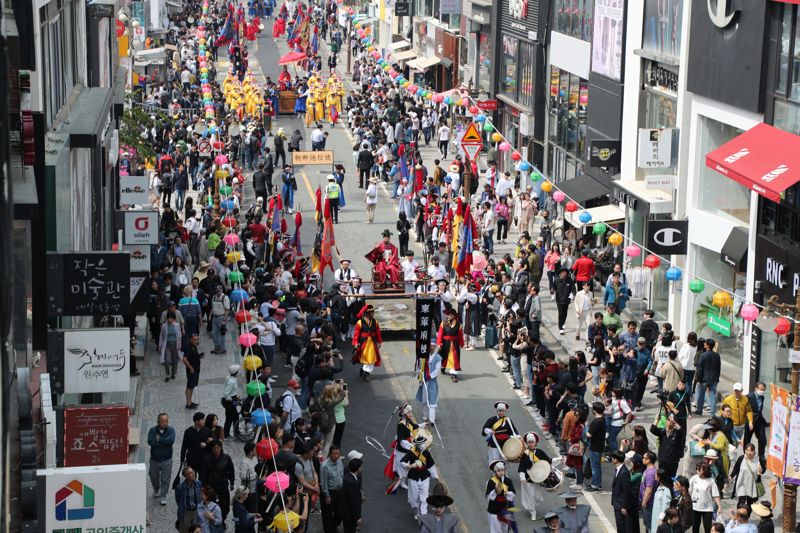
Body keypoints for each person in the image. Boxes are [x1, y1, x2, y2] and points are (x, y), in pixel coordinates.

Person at [401, 432, 438, 520]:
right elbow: (402, 461)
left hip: (425, 477)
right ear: (417, 445)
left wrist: (436, 476)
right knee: (413, 498)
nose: (422, 445)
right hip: (413, 477)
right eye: (420, 444)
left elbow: (431, 466)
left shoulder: (426, 453)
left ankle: (424, 515)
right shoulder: (411, 452)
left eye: (423, 443)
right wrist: (407, 465)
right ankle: (417, 512)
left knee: (424, 498)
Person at [517, 432, 550, 520]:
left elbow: (548, 461)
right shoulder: (525, 454)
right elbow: (522, 467)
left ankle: (532, 507)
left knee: (537, 497)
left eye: (532, 442)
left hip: (539, 479)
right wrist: (522, 478)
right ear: (527, 443)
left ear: (535, 443)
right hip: (529, 479)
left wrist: (559, 459)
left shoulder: (540, 452)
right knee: (530, 497)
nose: (531, 444)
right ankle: (533, 512)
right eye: (529, 442)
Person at [203, 440, 235, 520]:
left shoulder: (226, 458)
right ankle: (212, 519)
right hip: (211, 486)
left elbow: (231, 470)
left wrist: (232, 482)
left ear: (221, 448)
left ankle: (222, 519)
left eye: (218, 448)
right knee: (210, 504)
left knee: (225, 506)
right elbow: (203, 473)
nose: (216, 450)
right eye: (214, 448)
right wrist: (204, 485)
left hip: (222, 485)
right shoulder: (207, 459)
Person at [148, 413, 175, 506]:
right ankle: (156, 489)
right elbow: (151, 442)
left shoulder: (171, 430)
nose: (164, 423)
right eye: (162, 421)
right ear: (158, 421)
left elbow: (171, 441)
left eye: (166, 421)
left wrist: (160, 440)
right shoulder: (152, 430)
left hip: (167, 459)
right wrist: (164, 442)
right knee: (153, 476)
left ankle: (163, 495)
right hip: (154, 459)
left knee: (165, 479)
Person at [351, 304, 382, 381]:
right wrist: (355, 343)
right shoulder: (360, 322)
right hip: (363, 343)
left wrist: (379, 342)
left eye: (373, 312)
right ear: (367, 313)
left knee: (371, 358)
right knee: (365, 358)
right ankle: (366, 372)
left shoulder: (375, 322)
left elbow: (378, 333)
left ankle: (366, 372)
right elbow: (356, 334)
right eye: (372, 312)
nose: (373, 313)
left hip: (372, 343)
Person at [486, 460, 516, 533]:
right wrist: (495, 491)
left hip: (505, 509)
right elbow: (489, 496)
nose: (501, 472)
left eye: (502, 470)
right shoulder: (491, 481)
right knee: (495, 530)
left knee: (505, 529)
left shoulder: (508, 481)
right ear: (495, 472)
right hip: (494, 510)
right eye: (499, 471)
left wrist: (507, 493)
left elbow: (513, 493)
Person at [689, 462, 720, 533]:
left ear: (705, 470)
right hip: (695, 507)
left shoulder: (711, 481)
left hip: (707, 508)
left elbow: (715, 494)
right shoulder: (694, 479)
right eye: (697, 469)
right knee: (695, 526)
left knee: (707, 527)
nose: (697, 470)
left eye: (699, 469)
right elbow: (690, 491)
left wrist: (719, 506)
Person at [320, 445, 344, 533]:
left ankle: (334, 526)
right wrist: (327, 496)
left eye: (338, 453)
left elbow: (341, 476)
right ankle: (328, 530)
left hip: (339, 491)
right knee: (327, 514)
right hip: (330, 492)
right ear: (330, 454)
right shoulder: (324, 466)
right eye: (334, 454)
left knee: (339, 512)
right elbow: (323, 483)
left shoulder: (340, 462)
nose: (336, 456)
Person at [694, 339, 721, 416]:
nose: (704, 344)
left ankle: (699, 410)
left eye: (705, 343)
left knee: (701, 394)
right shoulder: (717, 355)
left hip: (704, 378)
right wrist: (717, 377)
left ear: (708, 345)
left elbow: (700, 368)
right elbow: (719, 367)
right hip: (714, 378)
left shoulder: (703, 355)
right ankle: (712, 413)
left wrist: (698, 378)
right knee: (712, 395)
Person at [436, 308, 464, 383]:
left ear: (454, 316)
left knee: (454, 358)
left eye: (451, 314)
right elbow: (440, 334)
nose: (449, 316)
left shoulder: (458, 324)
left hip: (454, 344)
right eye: (448, 314)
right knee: (444, 357)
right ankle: (443, 367)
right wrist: (439, 343)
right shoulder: (443, 323)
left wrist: (461, 343)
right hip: (445, 343)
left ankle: (453, 374)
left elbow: (460, 335)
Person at [731, 443, 762, 509]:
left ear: (754, 452)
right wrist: (731, 476)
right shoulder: (741, 458)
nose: (749, 452)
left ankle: (746, 517)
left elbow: (759, 477)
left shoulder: (758, 461)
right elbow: (736, 469)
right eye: (747, 450)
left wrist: (759, 473)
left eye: (751, 451)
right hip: (742, 483)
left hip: (752, 485)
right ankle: (739, 516)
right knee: (741, 502)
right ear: (745, 450)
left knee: (750, 504)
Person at [744, 382, 768, 467]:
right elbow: (745, 410)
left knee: (763, 440)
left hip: (759, 422)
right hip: (750, 422)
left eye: (763, 390)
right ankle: (746, 456)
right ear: (756, 388)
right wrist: (747, 421)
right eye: (760, 389)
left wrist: (765, 423)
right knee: (747, 440)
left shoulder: (762, 397)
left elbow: (759, 411)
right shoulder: (749, 397)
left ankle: (761, 457)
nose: (762, 391)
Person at [723, 382, 754, 447]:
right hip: (731, 425)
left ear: (741, 391)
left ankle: (732, 455)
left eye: (738, 391)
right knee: (731, 442)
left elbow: (749, 411)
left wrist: (750, 422)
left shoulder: (745, 399)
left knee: (736, 443)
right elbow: (722, 411)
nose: (736, 392)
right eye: (735, 390)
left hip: (741, 426)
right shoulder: (727, 400)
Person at [416, 347, 442, 425]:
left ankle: (432, 419)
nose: (431, 348)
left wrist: (430, 376)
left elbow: (437, 370)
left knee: (432, 401)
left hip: (432, 382)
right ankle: (425, 415)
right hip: (424, 381)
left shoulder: (437, 358)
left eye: (433, 346)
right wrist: (420, 373)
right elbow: (419, 367)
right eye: (430, 346)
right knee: (424, 399)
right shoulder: (424, 357)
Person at [586, 401, 606, 491]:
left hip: (595, 447)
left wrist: (586, 427)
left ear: (595, 411)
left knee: (595, 467)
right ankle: (599, 483)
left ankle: (595, 485)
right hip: (600, 446)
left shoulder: (596, 422)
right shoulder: (603, 419)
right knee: (597, 466)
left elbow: (589, 435)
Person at [175, 466, 203, 533]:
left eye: (193, 471)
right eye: (190, 473)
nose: (193, 474)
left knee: (198, 529)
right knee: (184, 529)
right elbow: (178, 500)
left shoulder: (198, 483)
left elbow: (200, 496)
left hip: (196, 510)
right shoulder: (180, 488)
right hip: (186, 512)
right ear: (186, 477)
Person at [611, 451, 633, 532]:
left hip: (620, 505)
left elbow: (626, 491)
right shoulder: (618, 469)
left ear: (616, 459)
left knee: (621, 526)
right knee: (619, 525)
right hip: (617, 503)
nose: (612, 459)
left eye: (613, 458)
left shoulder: (624, 473)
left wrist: (623, 506)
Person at [339, 457, 363, 533]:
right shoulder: (353, 483)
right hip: (350, 515)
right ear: (358, 469)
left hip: (345, 512)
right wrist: (358, 517)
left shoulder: (347, 477)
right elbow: (354, 502)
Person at [159, 311, 183, 381]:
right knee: (167, 360)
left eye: (171, 318)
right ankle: (167, 374)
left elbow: (179, 335)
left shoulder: (177, 325)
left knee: (175, 360)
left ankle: (173, 373)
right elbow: (161, 336)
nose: (170, 320)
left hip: (175, 344)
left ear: (174, 319)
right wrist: (160, 345)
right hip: (167, 345)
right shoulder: (163, 326)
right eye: (169, 318)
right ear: (167, 319)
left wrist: (180, 344)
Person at [182, 332, 202, 409]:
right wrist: (190, 367)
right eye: (195, 340)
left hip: (196, 370)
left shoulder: (194, 347)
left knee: (192, 386)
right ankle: (188, 403)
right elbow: (184, 359)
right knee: (189, 386)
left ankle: (190, 401)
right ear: (190, 340)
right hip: (192, 371)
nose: (197, 341)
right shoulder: (188, 348)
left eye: (197, 339)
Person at [553, 267, 576, 333]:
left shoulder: (570, 280)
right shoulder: (556, 280)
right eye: (562, 272)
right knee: (560, 313)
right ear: (560, 273)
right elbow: (553, 287)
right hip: (559, 300)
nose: (564, 273)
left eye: (565, 272)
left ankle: (562, 323)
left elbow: (573, 288)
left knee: (565, 313)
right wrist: (552, 291)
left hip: (566, 299)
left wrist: (573, 294)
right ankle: (560, 328)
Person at [223, 364, 241, 438]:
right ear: (236, 372)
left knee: (235, 416)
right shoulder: (232, 382)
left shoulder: (229, 378)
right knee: (229, 418)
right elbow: (226, 393)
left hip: (233, 399)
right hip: (230, 401)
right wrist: (232, 400)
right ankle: (226, 434)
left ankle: (236, 431)